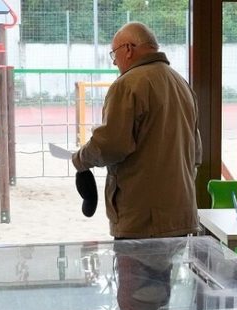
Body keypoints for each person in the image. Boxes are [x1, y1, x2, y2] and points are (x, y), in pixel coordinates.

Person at [71, 21, 202, 239]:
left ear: (129, 50)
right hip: (180, 215)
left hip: (142, 218)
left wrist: (80, 159)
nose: (115, 62)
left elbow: (111, 145)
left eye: (114, 54)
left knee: (136, 264)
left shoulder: (128, 84)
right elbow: (196, 153)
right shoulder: (182, 84)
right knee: (169, 264)